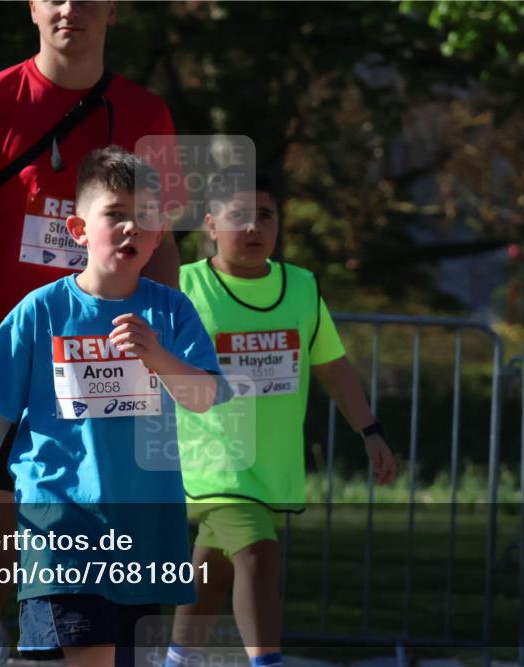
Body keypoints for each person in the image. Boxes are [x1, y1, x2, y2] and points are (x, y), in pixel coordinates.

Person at [0, 3, 182, 662]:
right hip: (17, 351)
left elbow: (163, 247)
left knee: (106, 506)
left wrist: (164, 341)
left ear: (114, 9)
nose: (71, 7)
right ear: (34, 7)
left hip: (110, 351)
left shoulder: (147, 114)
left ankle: (104, 640)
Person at [0, 147, 222, 667]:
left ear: (159, 235)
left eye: (145, 219)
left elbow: (204, 397)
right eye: (115, 214)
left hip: (145, 534)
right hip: (60, 524)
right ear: (78, 229)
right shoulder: (41, 311)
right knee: (90, 655)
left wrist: (156, 355)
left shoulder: (171, 310)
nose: (131, 229)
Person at [164, 170, 397, 667]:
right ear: (210, 224)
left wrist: (370, 431)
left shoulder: (302, 289)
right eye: (239, 217)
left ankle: (178, 659)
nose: (253, 228)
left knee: (214, 566)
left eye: (265, 216)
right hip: (210, 462)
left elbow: (332, 366)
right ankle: (266, 661)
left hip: (272, 465)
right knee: (257, 555)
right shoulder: (181, 287)